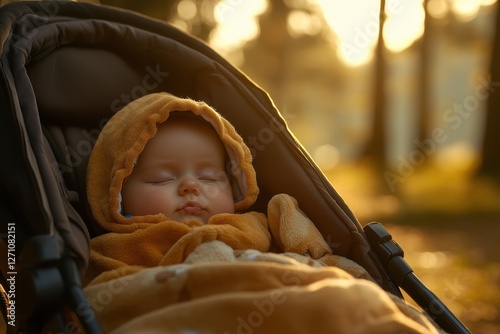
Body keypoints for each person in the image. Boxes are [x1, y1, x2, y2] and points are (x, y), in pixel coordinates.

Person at [84, 92, 333, 285]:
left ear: (234, 184)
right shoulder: (115, 249)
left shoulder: (255, 226)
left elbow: (307, 257)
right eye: (161, 179)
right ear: (118, 197)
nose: (191, 186)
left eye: (210, 177)